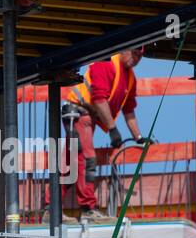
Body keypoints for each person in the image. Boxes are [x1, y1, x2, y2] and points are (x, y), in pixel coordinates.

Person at [58, 46, 152, 219]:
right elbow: (99, 99)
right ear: (125, 49)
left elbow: (129, 110)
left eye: (140, 56)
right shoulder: (106, 62)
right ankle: (87, 209)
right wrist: (113, 130)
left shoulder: (130, 77)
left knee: (72, 163)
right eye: (134, 53)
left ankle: (51, 208)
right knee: (87, 160)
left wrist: (138, 137)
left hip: (86, 117)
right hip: (77, 114)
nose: (136, 58)